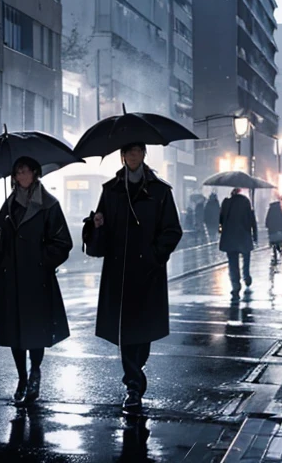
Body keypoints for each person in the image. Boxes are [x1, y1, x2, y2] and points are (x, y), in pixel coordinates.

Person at [85, 142, 183, 412]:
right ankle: (133, 386)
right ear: (122, 155)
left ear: (143, 154)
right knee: (125, 332)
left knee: (143, 333)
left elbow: (172, 230)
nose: (133, 156)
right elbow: (99, 238)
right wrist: (96, 226)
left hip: (148, 273)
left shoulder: (160, 191)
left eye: (137, 151)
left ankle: (135, 375)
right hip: (119, 273)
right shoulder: (111, 189)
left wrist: (153, 256)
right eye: (128, 152)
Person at [0, 157, 72, 405]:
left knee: (35, 331)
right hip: (11, 279)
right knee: (14, 331)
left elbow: (63, 243)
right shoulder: (8, 206)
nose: (20, 175)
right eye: (17, 172)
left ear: (35, 173)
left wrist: (40, 259)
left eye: (25, 171)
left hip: (36, 279)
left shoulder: (49, 205)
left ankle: (35, 372)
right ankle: (22, 377)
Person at [219, 188, 258, 297]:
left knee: (232, 262)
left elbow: (221, 220)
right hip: (244, 235)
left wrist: (221, 232)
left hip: (230, 237)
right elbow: (252, 221)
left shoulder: (226, 203)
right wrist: (255, 236)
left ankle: (235, 283)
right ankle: (246, 276)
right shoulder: (246, 202)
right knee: (246, 257)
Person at [265, 199, 282, 264]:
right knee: (279, 243)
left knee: (274, 244)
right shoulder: (279, 211)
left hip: (272, 232)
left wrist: (268, 226)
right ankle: (280, 251)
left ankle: (275, 253)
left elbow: (267, 221)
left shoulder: (270, 211)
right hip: (279, 231)